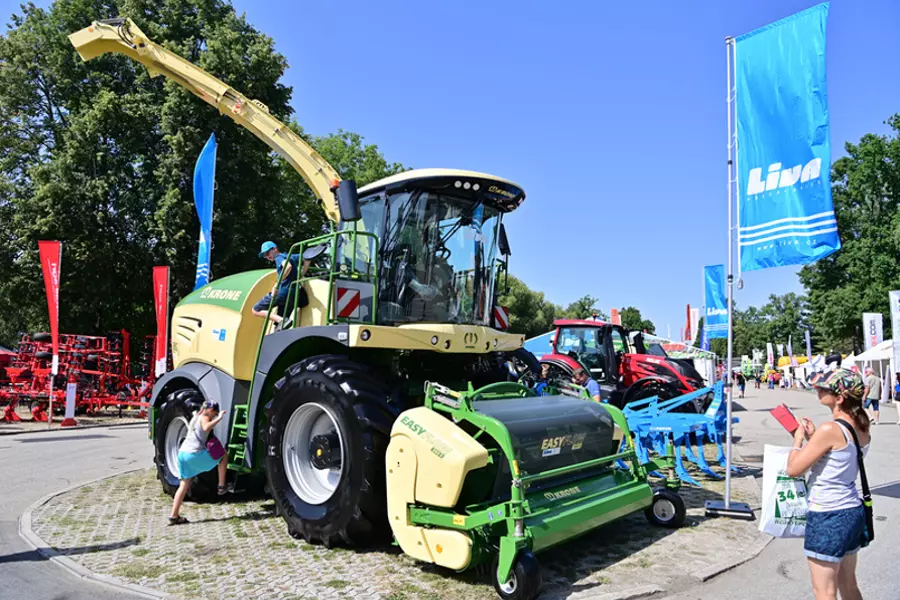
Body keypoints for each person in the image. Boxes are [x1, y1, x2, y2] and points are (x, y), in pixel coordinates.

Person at [786, 368, 870, 600]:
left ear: (840, 398)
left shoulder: (830, 429)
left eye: (823, 388)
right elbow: (838, 459)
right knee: (849, 586)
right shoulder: (862, 426)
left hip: (828, 514)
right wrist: (815, 439)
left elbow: (793, 470)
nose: (818, 389)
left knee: (824, 592)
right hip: (851, 510)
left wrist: (798, 440)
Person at [169, 400, 228, 525]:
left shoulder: (196, 416)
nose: (215, 416)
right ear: (211, 411)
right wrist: (220, 418)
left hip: (182, 454)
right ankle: (222, 486)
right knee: (223, 456)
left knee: (183, 485)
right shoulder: (205, 417)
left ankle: (174, 515)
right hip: (192, 454)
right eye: (215, 413)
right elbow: (206, 427)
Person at [258, 241, 310, 325]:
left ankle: (282, 322)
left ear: (275, 249)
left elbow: (288, 266)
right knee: (281, 322)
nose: (267, 256)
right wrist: (302, 273)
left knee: (256, 309)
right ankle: (282, 322)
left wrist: (278, 282)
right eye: (265, 255)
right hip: (293, 293)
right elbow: (307, 258)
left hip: (284, 292)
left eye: (267, 253)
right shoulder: (289, 256)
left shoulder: (279, 257)